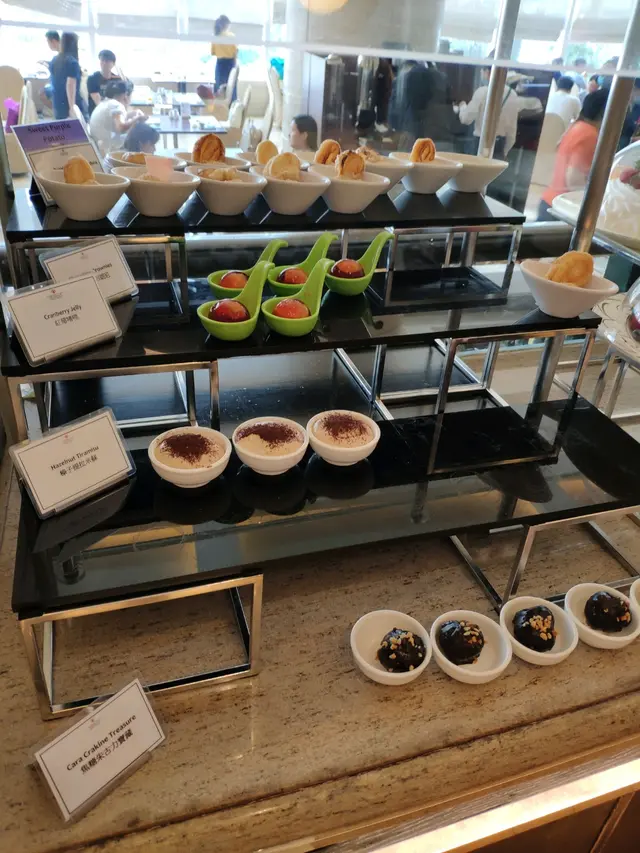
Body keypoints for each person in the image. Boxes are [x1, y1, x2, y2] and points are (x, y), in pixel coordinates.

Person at [538, 88, 609, 220]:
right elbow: (574, 180)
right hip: (563, 208)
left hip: (552, 201)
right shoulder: (590, 135)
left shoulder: (579, 126)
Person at [458, 66, 519, 159]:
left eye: (482, 71)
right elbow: (512, 132)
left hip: (478, 144)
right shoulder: (512, 95)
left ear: (487, 72)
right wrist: (504, 152)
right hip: (499, 146)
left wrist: (462, 106)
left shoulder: (482, 92)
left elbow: (466, 119)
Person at [89, 79, 146, 153]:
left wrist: (134, 114)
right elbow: (121, 127)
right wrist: (137, 118)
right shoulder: (116, 105)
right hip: (108, 147)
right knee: (141, 134)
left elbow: (116, 119)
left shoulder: (105, 103)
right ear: (125, 95)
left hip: (101, 143)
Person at [49, 31, 87, 120]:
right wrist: (72, 107)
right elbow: (70, 85)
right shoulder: (72, 62)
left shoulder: (54, 60)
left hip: (58, 103)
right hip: (69, 103)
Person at [87, 50, 121, 116]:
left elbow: (120, 99)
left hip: (113, 112)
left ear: (113, 64)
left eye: (107, 61)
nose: (104, 63)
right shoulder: (92, 78)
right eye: (102, 60)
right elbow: (98, 102)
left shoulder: (117, 79)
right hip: (97, 114)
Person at [211, 15, 238, 98]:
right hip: (230, 63)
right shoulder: (232, 36)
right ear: (226, 25)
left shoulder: (215, 37)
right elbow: (235, 52)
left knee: (220, 91)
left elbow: (213, 52)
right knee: (231, 90)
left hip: (220, 64)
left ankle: (220, 106)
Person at [619, 79, 640, 150]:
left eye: (636, 90)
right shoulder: (619, 108)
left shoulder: (637, 108)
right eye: (634, 89)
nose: (633, 92)